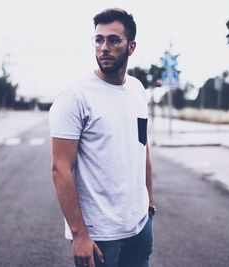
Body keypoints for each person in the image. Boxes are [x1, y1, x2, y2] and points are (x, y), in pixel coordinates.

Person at [49, 8, 155, 267]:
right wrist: (79, 234)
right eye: (99, 40)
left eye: (113, 40)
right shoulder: (75, 97)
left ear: (131, 47)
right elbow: (60, 168)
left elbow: (143, 148)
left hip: (139, 228)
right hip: (99, 236)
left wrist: (149, 205)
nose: (104, 47)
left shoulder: (137, 89)